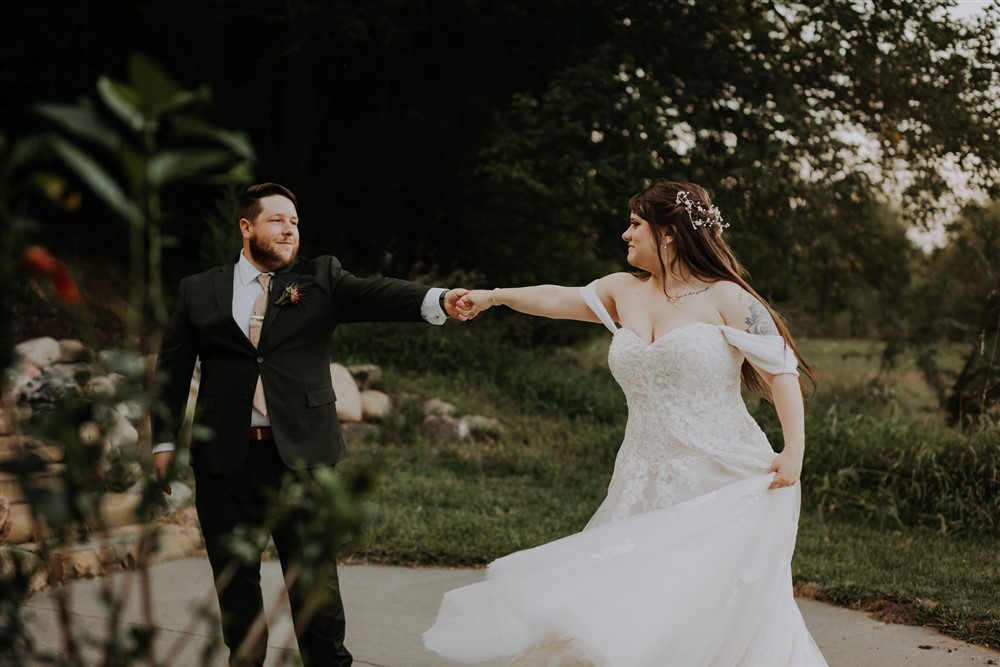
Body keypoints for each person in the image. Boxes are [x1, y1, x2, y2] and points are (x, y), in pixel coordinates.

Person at [423, 181, 828, 666]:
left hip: (720, 477)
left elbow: (779, 369)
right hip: (640, 474)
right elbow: (554, 298)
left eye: (635, 224)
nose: (625, 234)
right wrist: (493, 297)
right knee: (632, 603)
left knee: (699, 608)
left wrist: (794, 452)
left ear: (670, 233)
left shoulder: (727, 297)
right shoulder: (622, 290)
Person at [151, 182, 472, 667]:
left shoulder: (320, 278)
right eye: (278, 220)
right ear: (246, 227)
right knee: (235, 584)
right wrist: (161, 440)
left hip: (302, 456)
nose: (289, 229)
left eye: (295, 222)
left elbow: (376, 294)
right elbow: (172, 370)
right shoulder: (199, 289)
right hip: (224, 461)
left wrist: (439, 300)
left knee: (315, 585)